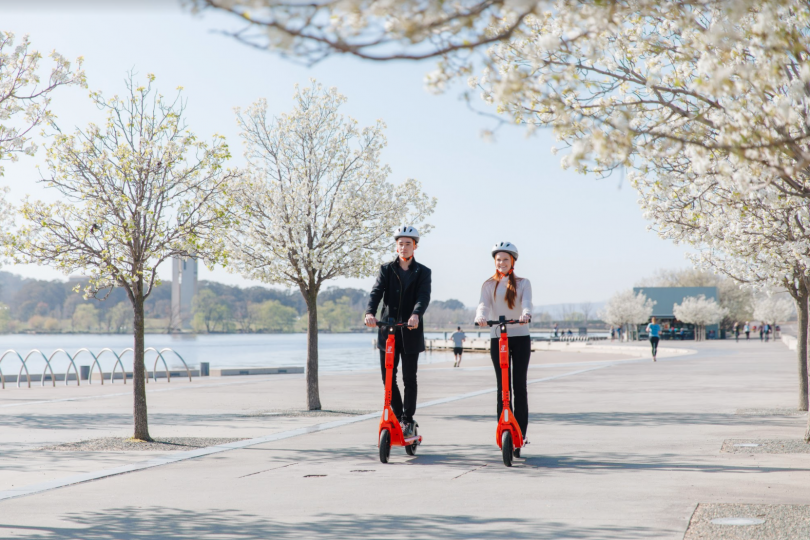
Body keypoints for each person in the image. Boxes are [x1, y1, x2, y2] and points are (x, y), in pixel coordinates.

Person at [365, 225, 431, 438]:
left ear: (415, 247)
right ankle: (399, 415)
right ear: (396, 247)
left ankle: (407, 420)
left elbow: (423, 296)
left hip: (410, 331)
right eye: (400, 244)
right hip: (388, 330)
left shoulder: (423, 272)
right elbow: (376, 292)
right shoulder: (386, 269)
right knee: (388, 378)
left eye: (408, 244)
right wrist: (370, 312)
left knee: (409, 378)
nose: (403, 247)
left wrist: (416, 315)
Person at [475, 241, 533, 447]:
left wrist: (526, 314)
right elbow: (483, 305)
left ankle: (521, 433)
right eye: (498, 259)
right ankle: (503, 427)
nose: (501, 263)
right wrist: (480, 317)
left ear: (513, 261)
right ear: (494, 261)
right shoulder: (488, 284)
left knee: (519, 385)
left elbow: (527, 302)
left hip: (520, 336)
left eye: (505, 259)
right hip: (497, 337)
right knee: (503, 387)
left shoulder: (524, 283)